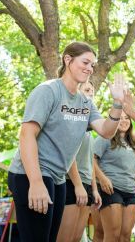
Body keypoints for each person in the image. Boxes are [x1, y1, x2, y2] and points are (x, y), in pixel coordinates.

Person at [7, 41, 127, 241]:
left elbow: (106, 131)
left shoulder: (85, 102)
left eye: (92, 65)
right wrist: (35, 183)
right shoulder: (48, 91)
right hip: (30, 174)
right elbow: (26, 135)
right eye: (85, 62)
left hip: (58, 178)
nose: (89, 69)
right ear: (68, 59)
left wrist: (117, 103)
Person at [56, 81, 102, 242]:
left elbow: (90, 161)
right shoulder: (71, 120)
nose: (91, 92)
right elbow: (69, 156)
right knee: (65, 238)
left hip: (86, 185)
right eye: (87, 89)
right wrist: (78, 185)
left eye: (93, 90)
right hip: (71, 183)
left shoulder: (89, 128)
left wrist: (94, 190)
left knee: (76, 238)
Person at [93, 110, 135, 242]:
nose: (124, 120)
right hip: (111, 189)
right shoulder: (105, 137)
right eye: (120, 118)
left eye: (127, 118)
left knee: (125, 237)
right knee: (113, 235)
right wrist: (102, 178)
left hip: (131, 192)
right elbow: (91, 159)